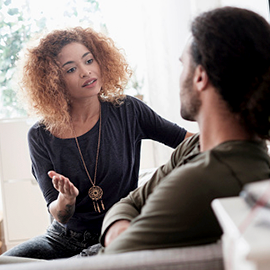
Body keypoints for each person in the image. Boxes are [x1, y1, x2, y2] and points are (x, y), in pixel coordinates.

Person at [2, 27, 192, 259]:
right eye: (71, 69)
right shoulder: (40, 135)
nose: (86, 72)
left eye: (89, 60)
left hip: (117, 234)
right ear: (54, 81)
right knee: (9, 262)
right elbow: (59, 214)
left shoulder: (128, 110)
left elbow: (188, 142)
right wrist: (67, 199)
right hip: (63, 239)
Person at [99, 6, 270, 254]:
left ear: (200, 76)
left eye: (183, 65)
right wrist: (120, 223)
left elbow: (115, 258)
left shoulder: (204, 180)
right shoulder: (197, 146)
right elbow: (131, 201)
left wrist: (118, 227)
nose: (180, 79)